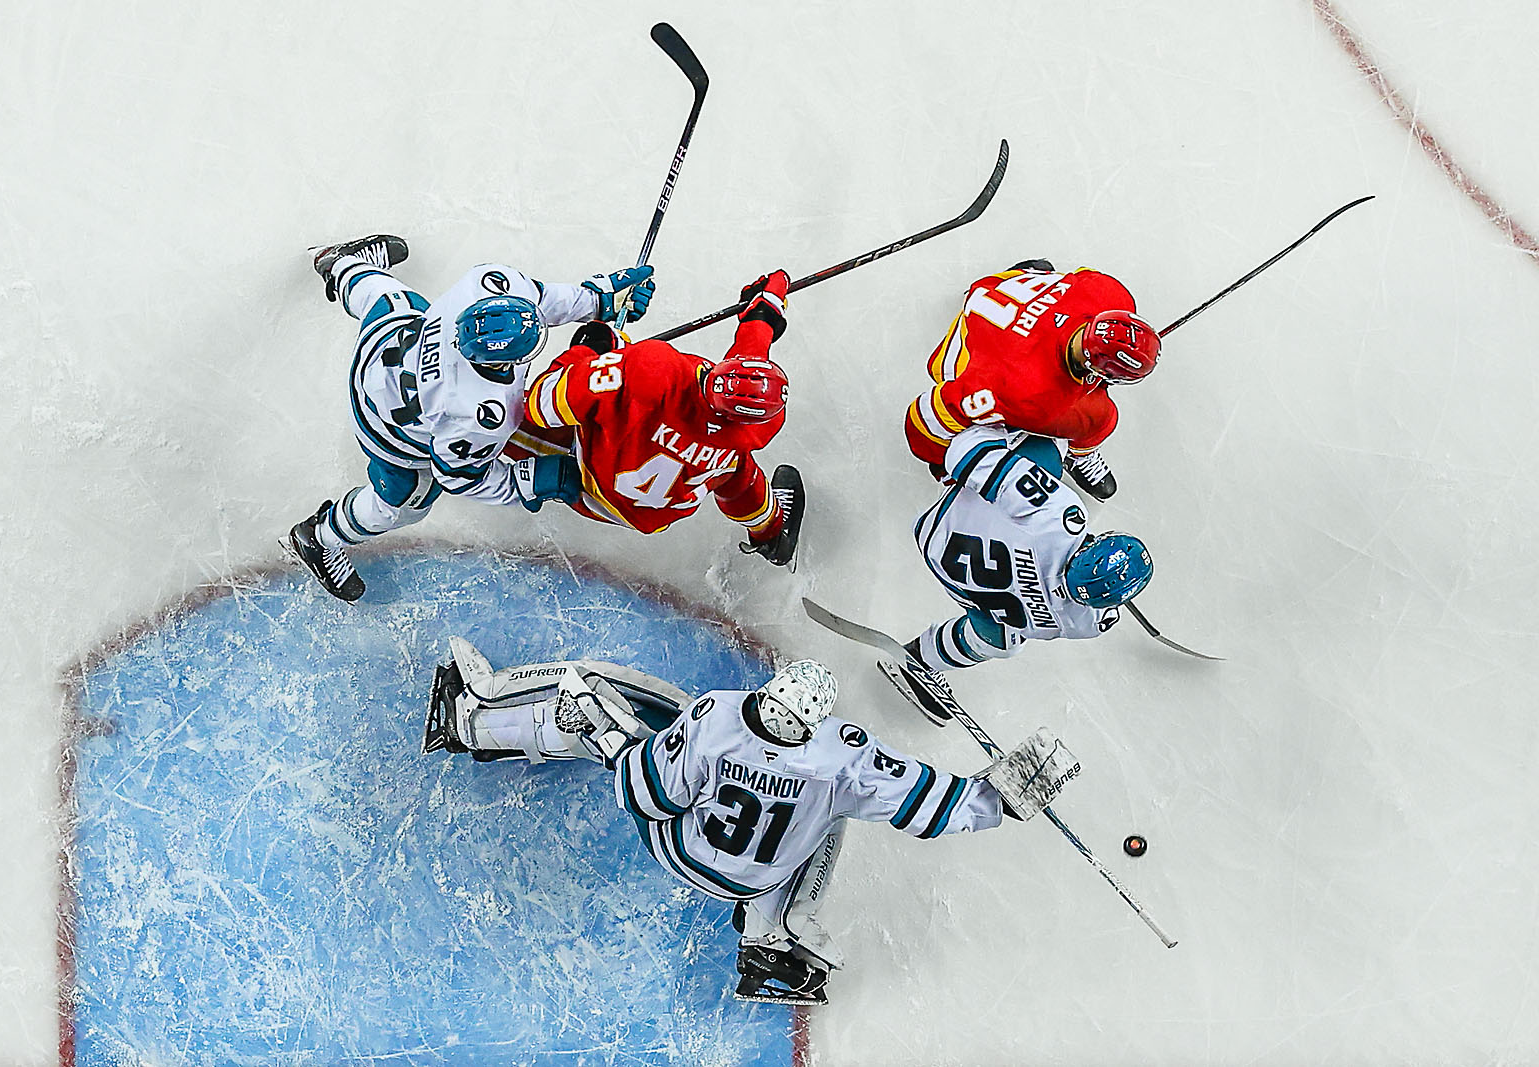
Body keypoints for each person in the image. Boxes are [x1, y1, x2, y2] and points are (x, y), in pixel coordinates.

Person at [423, 641, 1077, 1005]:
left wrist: (615, 741)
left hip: (679, 849)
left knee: (595, 690)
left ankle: (473, 722)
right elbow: (925, 805)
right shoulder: (840, 757)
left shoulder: (716, 717)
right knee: (828, 818)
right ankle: (770, 942)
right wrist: (996, 801)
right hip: (751, 881)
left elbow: (649, 797)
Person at [285, 235, 656, 601]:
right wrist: (534, 480)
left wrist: (598, 299)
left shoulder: (484, 285)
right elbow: (459, 477)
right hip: (384, 428)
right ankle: (321, 536)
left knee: (392, 302)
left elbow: (539, 299)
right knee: (405, 501)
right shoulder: (482, 415)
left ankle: (341, 262)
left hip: (382, 347)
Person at [506, 269, 803, 567]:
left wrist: (590, 349)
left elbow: (540, 403)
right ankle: (772, 534)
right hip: (657, 513)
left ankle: (469, 449)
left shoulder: (654, 371)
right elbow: (747, 372)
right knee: (735, 468)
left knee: (505, 417)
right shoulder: (758, 423)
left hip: (594, 484)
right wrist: (763, 313)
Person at [882, 425, 1153, 726]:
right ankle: (919, 660)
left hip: (939, 527)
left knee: (1051, 443)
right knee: (1003, 642)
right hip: (963, 588)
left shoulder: (1061, 518)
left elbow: (966, 451)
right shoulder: (1086, 623)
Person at [903, 259, 1160, 500]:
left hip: (998, 290)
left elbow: (1077, 280)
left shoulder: (1111, 293)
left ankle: (1031, 271)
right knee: (1098, 418)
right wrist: (940, 462)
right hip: (969, 348)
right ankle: (1079, 453)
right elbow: (932, 413)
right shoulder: (1029, 395)